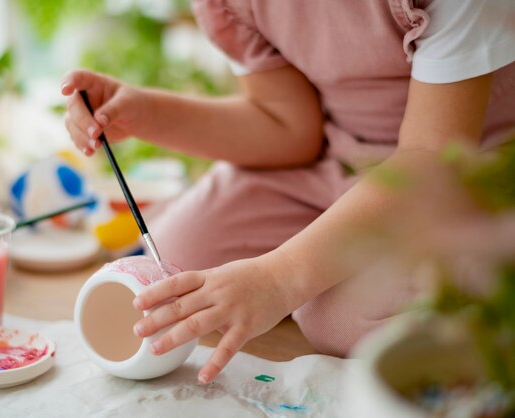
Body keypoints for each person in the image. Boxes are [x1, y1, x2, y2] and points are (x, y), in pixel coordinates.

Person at [62, 0, 515, 384]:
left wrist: (279, 279)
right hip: (336, 157)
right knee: (177, 263)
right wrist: (146, 115)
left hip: (465, 175)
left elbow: (429, 157)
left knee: (334, 316)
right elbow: (289, 128)